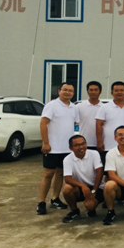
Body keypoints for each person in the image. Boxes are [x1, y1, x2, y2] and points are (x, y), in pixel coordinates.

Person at [37, 82, 77, 215]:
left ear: (73, 93)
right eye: (65, 90)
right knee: (48, 174)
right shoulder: (52, 105)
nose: (67, 92)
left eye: (70, 91)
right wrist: (45, 142)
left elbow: (75, 125)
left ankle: (55, 199)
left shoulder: (74, 107)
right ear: (59, 91)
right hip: (52, 147)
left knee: (60, 173)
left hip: (67, 148)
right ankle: (41, 202)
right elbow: (43, 123)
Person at [61, 135, 104, 223]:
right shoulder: (67, 159)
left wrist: (94, 191)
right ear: (70, 148)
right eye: (77, 145)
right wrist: (82, 186)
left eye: (83, 144)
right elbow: (67, 178)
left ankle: (92, 209)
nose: (81, 147)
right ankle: (74, 211)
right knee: (67, 188)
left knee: (90, 206)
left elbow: (99, 172)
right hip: (81, 189)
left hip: (96, 187)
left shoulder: (94, 154)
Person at [95, 81, 124, 162]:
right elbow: (98, 124)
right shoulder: (104, 107)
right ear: (112, 93)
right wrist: (99, 141)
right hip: (108, 146)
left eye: (121, 90)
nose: (119, 92)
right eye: (116, 90)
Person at [76, 81, 103, 150]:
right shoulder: (79, 106)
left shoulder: (104, 107)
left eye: (96, 90)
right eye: (91, 90)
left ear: (100, 91)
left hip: (101, 143)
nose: (93, 92)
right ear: (87, 91)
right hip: (84, 143)